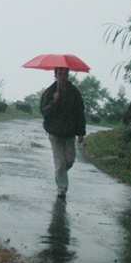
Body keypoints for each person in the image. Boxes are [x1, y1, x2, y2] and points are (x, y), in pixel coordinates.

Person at [39, 67, 86, 198]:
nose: (63, 77)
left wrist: (81, 132)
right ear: (55, 75)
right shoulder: (50, 92)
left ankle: (60, 175)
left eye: (65, 74)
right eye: (60, 74)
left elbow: (80, 113)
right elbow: (44, 112)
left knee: (69, 161)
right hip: (54, 132)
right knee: (60, 163)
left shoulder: (74, 92)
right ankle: (62, 188)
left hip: (70, 133)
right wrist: (54, 101)